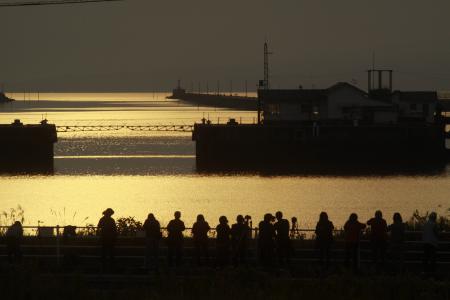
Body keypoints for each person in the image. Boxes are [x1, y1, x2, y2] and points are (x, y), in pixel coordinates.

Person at [422, 212, 439, 276]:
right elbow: (436, 233)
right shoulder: (434, 224)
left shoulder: (425, 224)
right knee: (432, 259)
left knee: (425, 258)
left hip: (425, 243)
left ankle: (425, 271)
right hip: (432, 243)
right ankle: (432, 272)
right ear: (434, 218)